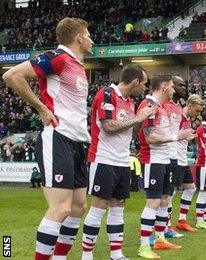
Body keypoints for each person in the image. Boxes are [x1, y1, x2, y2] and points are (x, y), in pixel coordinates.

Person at [3, 17, 93, 260]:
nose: (92, 39)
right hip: (59, 136)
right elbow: (12, 76)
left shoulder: (76, 64)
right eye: (89, 34)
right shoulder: (58, 57)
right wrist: (42, 108)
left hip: (77, 140)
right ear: (79, 37)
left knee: (77, 208)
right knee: (61, 208)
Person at [81, 65, 153, 260]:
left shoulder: (130, 101)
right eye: (144, 84)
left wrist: (143, 119)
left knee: (118, 205)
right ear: (135, 81)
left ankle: (116, 254)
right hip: (103, 158)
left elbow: (130, 131)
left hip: (122, 161)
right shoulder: (106, 94)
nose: (145, 89)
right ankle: (87, 255)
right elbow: (109, 126)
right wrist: (138, 117)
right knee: (99, 206)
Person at [136, 75, 195, 259]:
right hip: (153, 160)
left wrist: (180, 135)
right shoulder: (149, 106)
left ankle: (160, 239)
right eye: (170, 86)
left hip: (166, 159)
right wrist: (177, 137)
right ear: (162, 87)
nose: (173, 90)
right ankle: (144, 246)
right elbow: (150, 138)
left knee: (165, 199)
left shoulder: (161, 107)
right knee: (153, 202)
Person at [166, 78, 204, 236]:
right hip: (173, 158)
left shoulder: (188, 119)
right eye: (197, 110)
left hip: (183, 159)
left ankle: (181, 221)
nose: (199, 114)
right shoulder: (178, 115)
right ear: (189, 105)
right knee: (170, 193)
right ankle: (166, 225)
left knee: (190, 188)